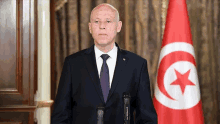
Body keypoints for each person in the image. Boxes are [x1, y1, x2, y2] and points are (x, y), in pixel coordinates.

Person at [51, 3, 157, 124]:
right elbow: (60, 116)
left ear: (118, 26)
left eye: (108, 21)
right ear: (90, 27)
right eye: (96, 22)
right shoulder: (73, 64)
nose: (102, 26)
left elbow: (147, 118)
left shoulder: (137, 65)